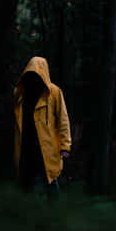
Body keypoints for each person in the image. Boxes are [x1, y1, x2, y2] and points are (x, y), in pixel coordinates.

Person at [13, 56, 71, 196]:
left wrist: (65, 146)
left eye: (37, 73)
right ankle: (29, 212)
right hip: (26, 146)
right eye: (31, 73)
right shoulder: (20, 92)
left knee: (50, 180)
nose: (34, 76)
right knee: (25, 183)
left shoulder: (54, 92)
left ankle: (54, 212)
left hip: (47, 147)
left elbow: (63, 119)